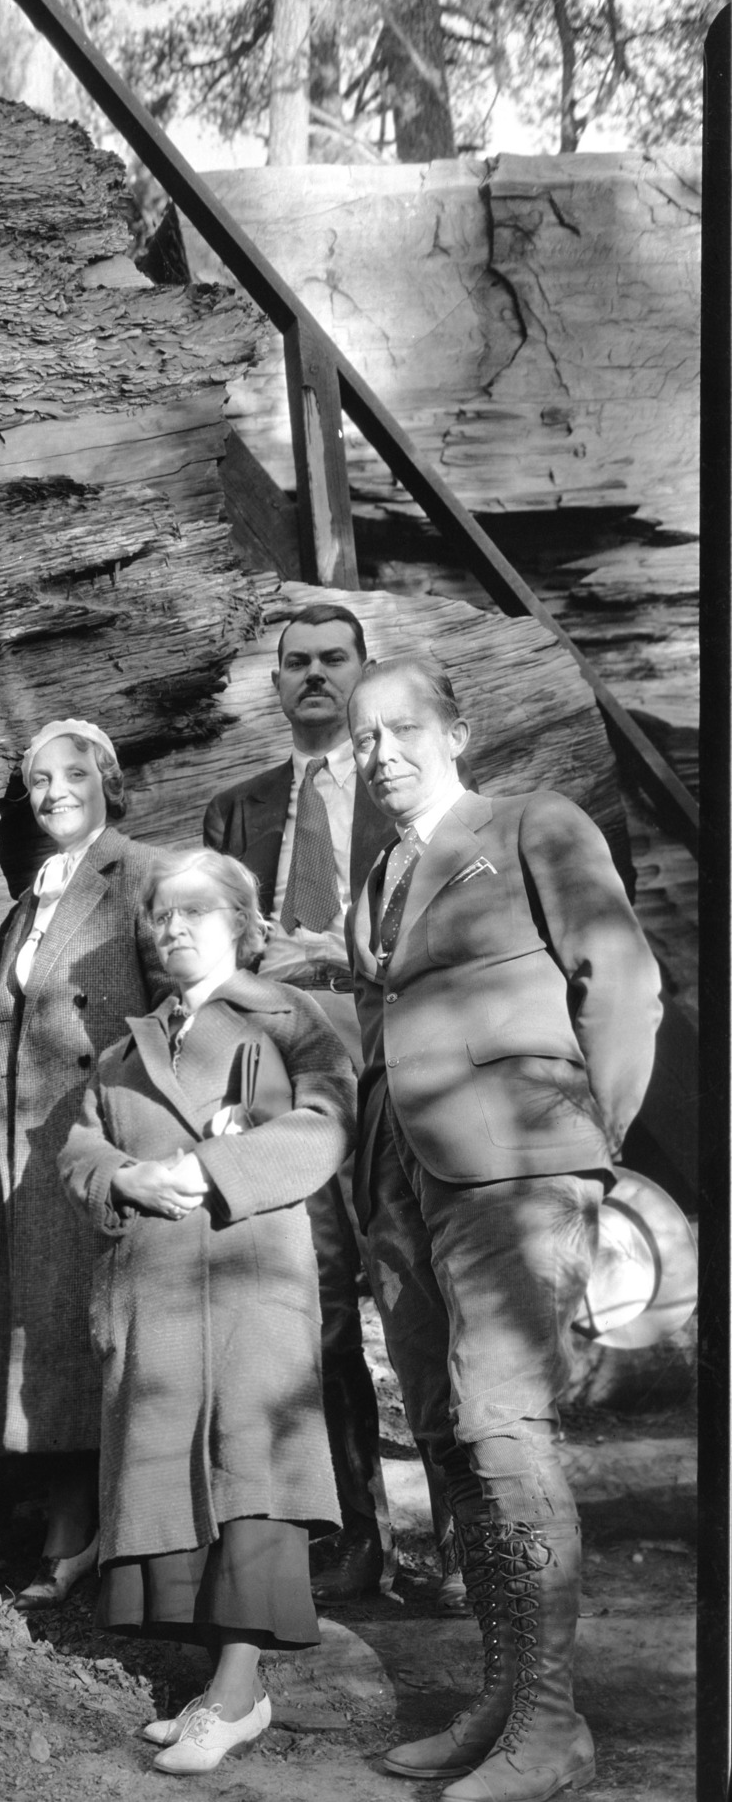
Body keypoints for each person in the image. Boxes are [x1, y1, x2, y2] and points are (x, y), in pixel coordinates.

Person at [346, 659, 660, 1800]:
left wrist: (583, 1139)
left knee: (501, 1422)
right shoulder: (377, 870)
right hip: (403, 1185)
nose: (380, 751)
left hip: (517, 1170)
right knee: (442, 1433)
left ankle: (548, 1723)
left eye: (401, 728)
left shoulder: (530, 822)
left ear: (456, 731)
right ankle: (501, 1691)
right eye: (361, 737)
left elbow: (619, 979)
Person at [60, 850, 355, 1776]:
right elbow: (77, 1147)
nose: (174, 928)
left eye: (195, 911)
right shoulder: (121, 1047)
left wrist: (212, 1170)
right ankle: (221, 1683)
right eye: (161, 915)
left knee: (251, 1470)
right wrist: (123, 1175)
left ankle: (235, 1691)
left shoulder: (289, 1017)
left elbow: (325, 1125)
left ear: (242, 921)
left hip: (250, 1278)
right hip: (149, 1289)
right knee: (166, 1472)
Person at [203, 604, 466, 1608]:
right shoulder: (237, 808)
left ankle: (457, 1548)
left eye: (332, 661)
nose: (312, 676)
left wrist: (325, 952)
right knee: (309, 1318)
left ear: (362, 673)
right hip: (292, 1095)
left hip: (399, 1081)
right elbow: (214, 974)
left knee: (416, 1308)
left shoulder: (408, 795)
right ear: (274, 683)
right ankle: (359, 1539)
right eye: (293, 664)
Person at [0, 719, 159, 1606]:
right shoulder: (30, 898)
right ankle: (69, 1517)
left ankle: (119, 1535)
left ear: (108, 780)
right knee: (45, 1332)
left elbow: (184, 1002)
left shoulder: (143, 872)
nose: (54, 792)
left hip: (100, 1137)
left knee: (104, 1328)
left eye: (73, 773)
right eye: (37, 780)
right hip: (22, 1147)